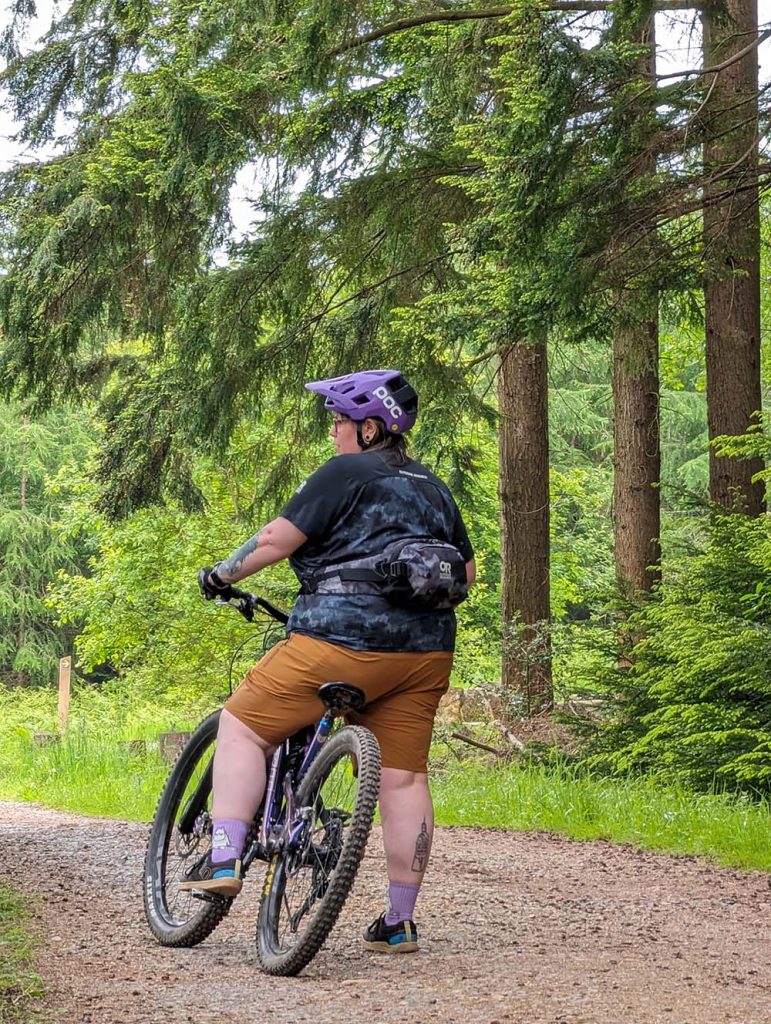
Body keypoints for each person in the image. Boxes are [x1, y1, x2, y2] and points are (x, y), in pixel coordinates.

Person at [180, 369, 475, 953]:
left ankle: (222, 861)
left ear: (369, 428)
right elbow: (464, 574)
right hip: (424, 656)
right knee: (406, 777)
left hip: (338, 642)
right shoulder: (434, 487)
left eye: (339, 420)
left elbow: (275, 540)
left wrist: (220, 575)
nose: (334, 432)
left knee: (242, 727)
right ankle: (399, 923)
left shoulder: (346, 472)